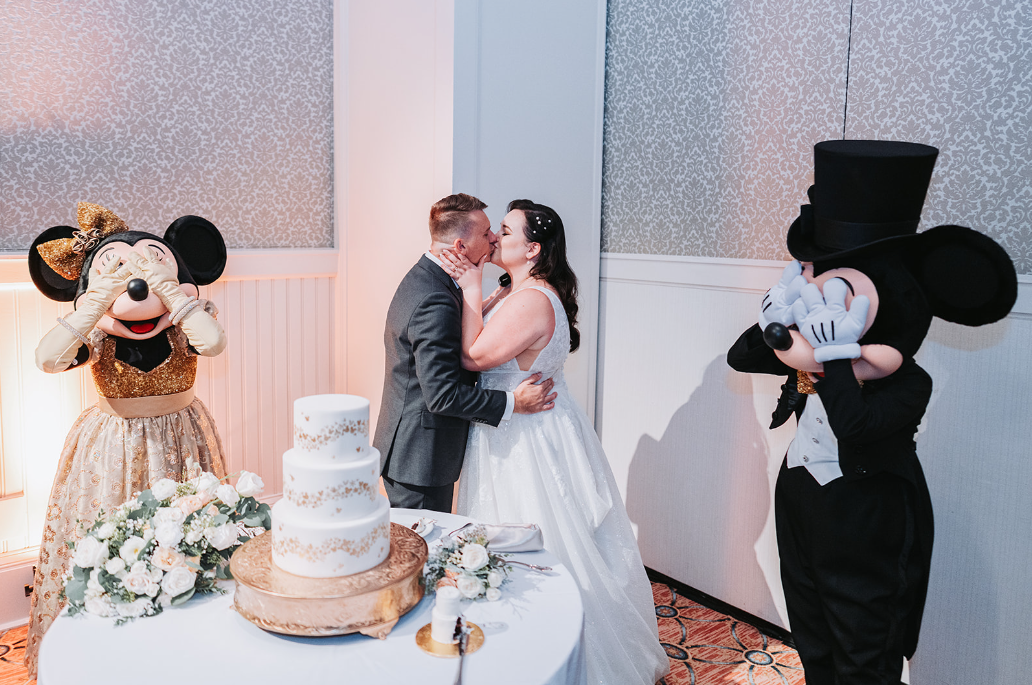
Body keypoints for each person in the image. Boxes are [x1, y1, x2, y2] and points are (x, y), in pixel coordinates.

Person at [440, 199, 669, 685]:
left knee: (541, 546)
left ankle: (553, 656)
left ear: (533, 248)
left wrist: (468, 284)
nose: (496, 239)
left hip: (527, 442)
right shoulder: (514, 290)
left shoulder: (532, 299)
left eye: (505, 230)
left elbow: (475, 355)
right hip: (513, 427)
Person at [374, 193, 556, 514]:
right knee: (424, 554)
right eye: (486, 232)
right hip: (420, 458)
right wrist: (515, 402)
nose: (493, 238)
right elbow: (442, 397)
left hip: (410, 448)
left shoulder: (429, 280)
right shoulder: (436, 299)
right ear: (460, 246)